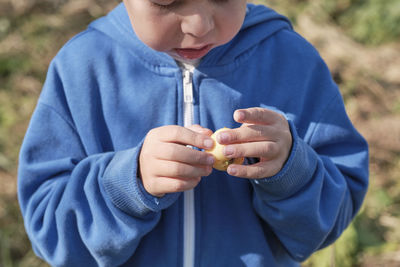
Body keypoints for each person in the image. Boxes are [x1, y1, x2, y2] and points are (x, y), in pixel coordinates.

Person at [18, 0, 369, 266]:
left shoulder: (292, 62)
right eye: (168, 2)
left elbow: (332, 218)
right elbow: (50, 230)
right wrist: (127, 185)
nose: (200, 25)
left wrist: (291, 169)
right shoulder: (84, 67)